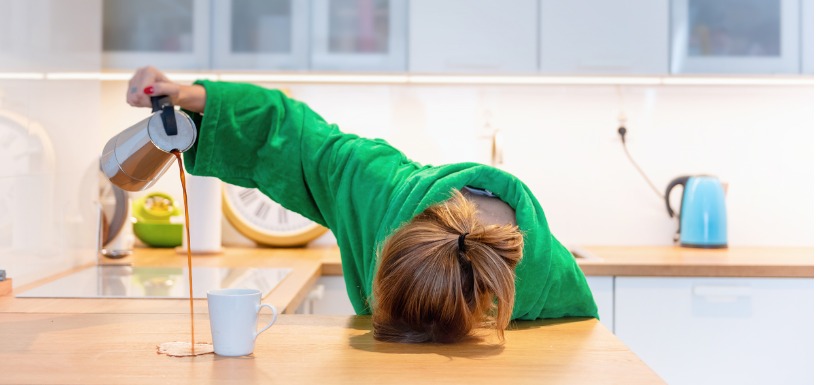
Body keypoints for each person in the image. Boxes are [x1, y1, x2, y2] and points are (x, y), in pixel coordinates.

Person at [126, 67, 598, 344]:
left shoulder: (547, 280)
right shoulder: (375, 189)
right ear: (386, 241)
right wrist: (190, 96)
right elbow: (291, 133)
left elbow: (576, 349)